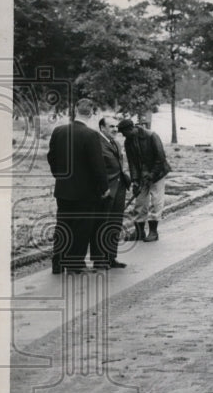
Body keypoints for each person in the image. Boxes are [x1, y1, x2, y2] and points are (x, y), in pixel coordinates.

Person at [47, 98, 110, 273]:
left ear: (75, 109)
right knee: (82, 227)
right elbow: (98, 165)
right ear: (91, 113)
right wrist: (104, 187)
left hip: (63, 189)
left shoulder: (59, 131)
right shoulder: (91, 135)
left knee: (63, 225)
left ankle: (57, 262)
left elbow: (51, 157)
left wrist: (59, 176)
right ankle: (74, 264)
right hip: (85, 192)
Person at [117, 118, 171, 242]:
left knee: (156, 201)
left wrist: (152, 175)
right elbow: (132, 163)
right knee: (140, 202)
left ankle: (153, 232)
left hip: (157, 173)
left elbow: (160, 158)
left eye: (124, 132)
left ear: (131, 129)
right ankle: (139, 231)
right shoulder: (128, 142)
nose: (123, 135)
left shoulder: (151, 136)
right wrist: (135, 180)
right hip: (141, 176)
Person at [95, 116, 132, 268]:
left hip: (120, 187)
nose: (115, 129)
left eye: (116, 126)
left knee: (115, 223)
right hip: (106, 189)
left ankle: (111, 257)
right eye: (111, 126)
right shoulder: (97, 143)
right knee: (103, 224)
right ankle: (100, 259)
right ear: (102, 128)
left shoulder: (116, 143)